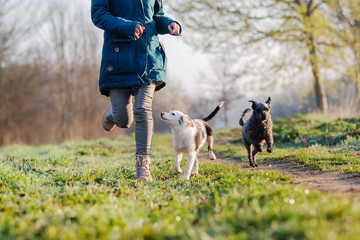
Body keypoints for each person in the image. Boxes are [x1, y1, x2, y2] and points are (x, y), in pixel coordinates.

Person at [91, 0, 181, 181]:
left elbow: (157, 16)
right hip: (118, 58)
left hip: (149, 57)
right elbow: (98, 15)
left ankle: (143, 166)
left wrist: (169, 23)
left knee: (142, 109)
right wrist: (127, 26)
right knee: (124, 121)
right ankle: (115, 114)